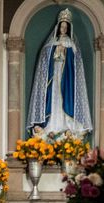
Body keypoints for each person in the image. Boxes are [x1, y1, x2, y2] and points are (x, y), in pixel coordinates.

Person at [26, 8, 92, 137]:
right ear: (58, 27)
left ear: (68, 28)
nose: (63, 29)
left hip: (66, 77)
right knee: (53, 97)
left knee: (63, 98)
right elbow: (45, 59)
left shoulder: (71, 44)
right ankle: (51, 126)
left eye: (65, 27)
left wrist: (66, 52)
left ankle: (66, 126)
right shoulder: (51, 44)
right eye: (61, 27)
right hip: (53, 75)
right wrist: (55, 50)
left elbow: (75, 63)